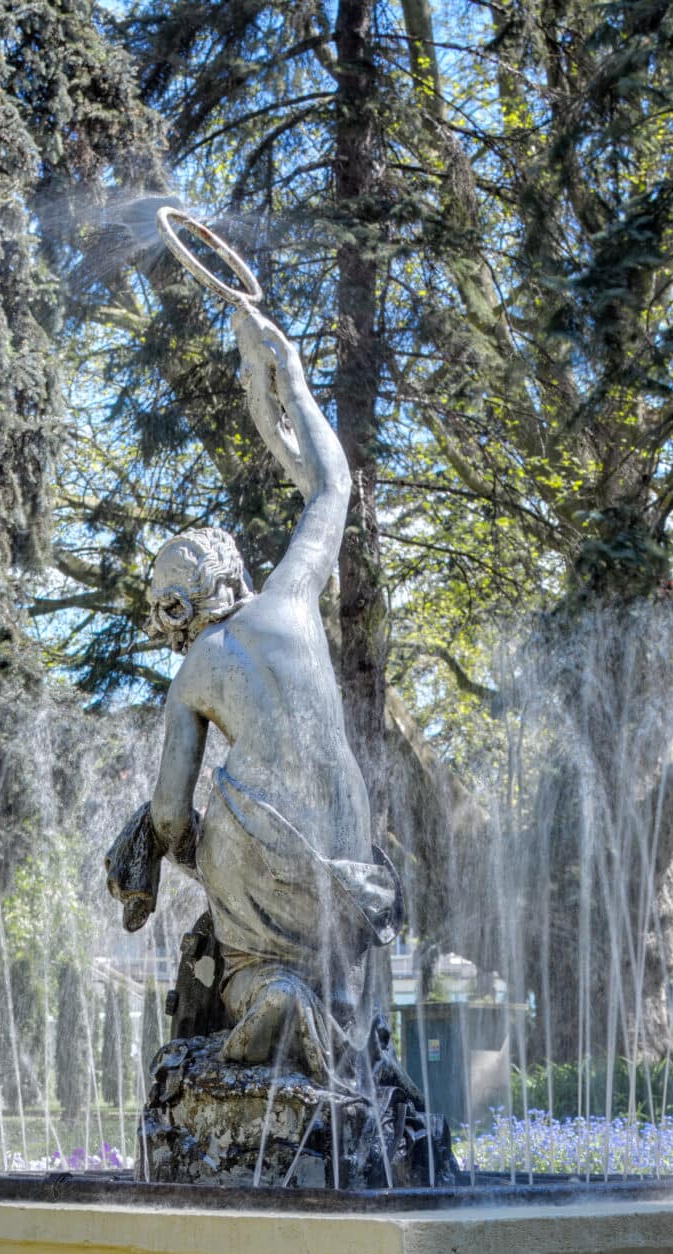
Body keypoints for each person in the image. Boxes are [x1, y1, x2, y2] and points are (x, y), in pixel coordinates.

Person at [108, 295, 400, 1081]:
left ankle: (263, 987)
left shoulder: (195, 669)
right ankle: (325, 1012)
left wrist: (164, 841)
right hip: (347, 848)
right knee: (330, 949)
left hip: (262, 856)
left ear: (180, 607)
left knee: (244, 945)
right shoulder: (293, 596)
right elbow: (331, 485)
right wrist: (288, 374)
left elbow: (171, 814)